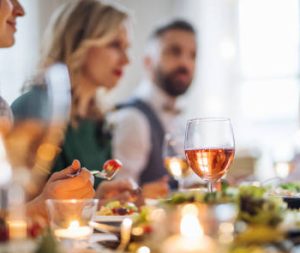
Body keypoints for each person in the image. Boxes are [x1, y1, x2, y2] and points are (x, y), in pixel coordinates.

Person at [0, 0, 135, 219]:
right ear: (80, 41)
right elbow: (16, 213)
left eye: (126, 48)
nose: (127, 60)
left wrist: (100, 199)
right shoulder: (35, 110)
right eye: (114, 45)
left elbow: (72, 206)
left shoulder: (99, 119)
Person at [109, 19, 197, 187]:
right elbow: (120, 198)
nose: (185, 63)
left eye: (192, 55)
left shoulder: (179, 118)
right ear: (148, 61)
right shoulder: (133, 118)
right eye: (174, 52)